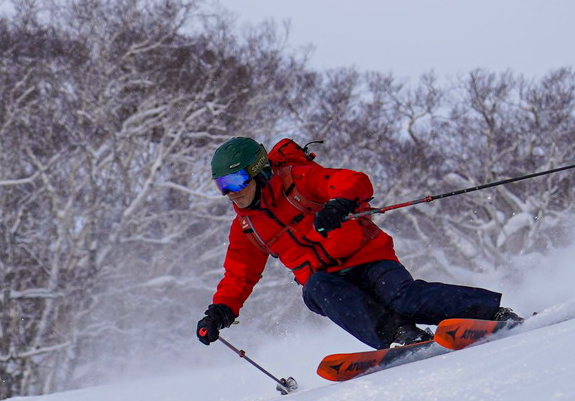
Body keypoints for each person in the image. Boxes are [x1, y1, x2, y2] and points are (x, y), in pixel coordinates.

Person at [196, 137, 521, 350]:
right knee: (315, 289)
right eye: (221, 185)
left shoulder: (298, 179)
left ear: (259, 172)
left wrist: (339, 203)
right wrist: (219, 312)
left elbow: (353, 181)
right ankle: (400, 337)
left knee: (403, 299)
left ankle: (492, 312)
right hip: (329, 282)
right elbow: (239, 275)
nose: (231, 192)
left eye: (236, 180)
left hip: (368, 260)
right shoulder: (246, 225)